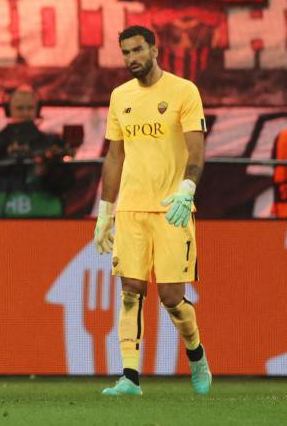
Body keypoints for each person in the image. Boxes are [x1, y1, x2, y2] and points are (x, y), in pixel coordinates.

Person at [95, 25, 211, 397]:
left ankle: (197, 355)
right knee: (130, 290)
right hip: (131, 209)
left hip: (171, 209)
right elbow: (114, 157)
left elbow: (196, 152)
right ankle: (129, 377)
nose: (132, 59)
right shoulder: (120, 96)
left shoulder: (183, 91)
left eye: (137, 50)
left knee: (172, 299)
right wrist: (104, 212)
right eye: (126, 52)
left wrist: (186, 189)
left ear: (155, 49)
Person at [0, 86, 71, 217]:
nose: (25, 113)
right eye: (20, 108)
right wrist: (4, 146)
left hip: (44, 219)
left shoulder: (52, 143)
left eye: (30, 108)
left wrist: (45, 171)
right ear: (8, 110)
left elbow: (65, 183)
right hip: (0, 221)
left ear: (37, 110)